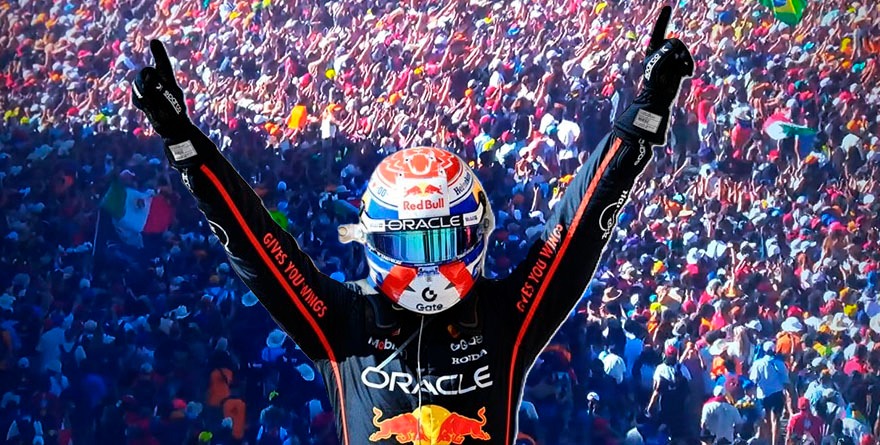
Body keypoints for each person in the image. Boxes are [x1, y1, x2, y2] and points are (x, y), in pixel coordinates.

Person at [129, 6, 693, 443]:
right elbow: (258, 245)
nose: (427, 264)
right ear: (375, 240)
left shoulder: (504, 317)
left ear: (475, 233)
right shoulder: (343, 320)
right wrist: (185, 144)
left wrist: (641, 118)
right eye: (409, 242)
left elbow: (575, 231)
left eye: (443, 239)